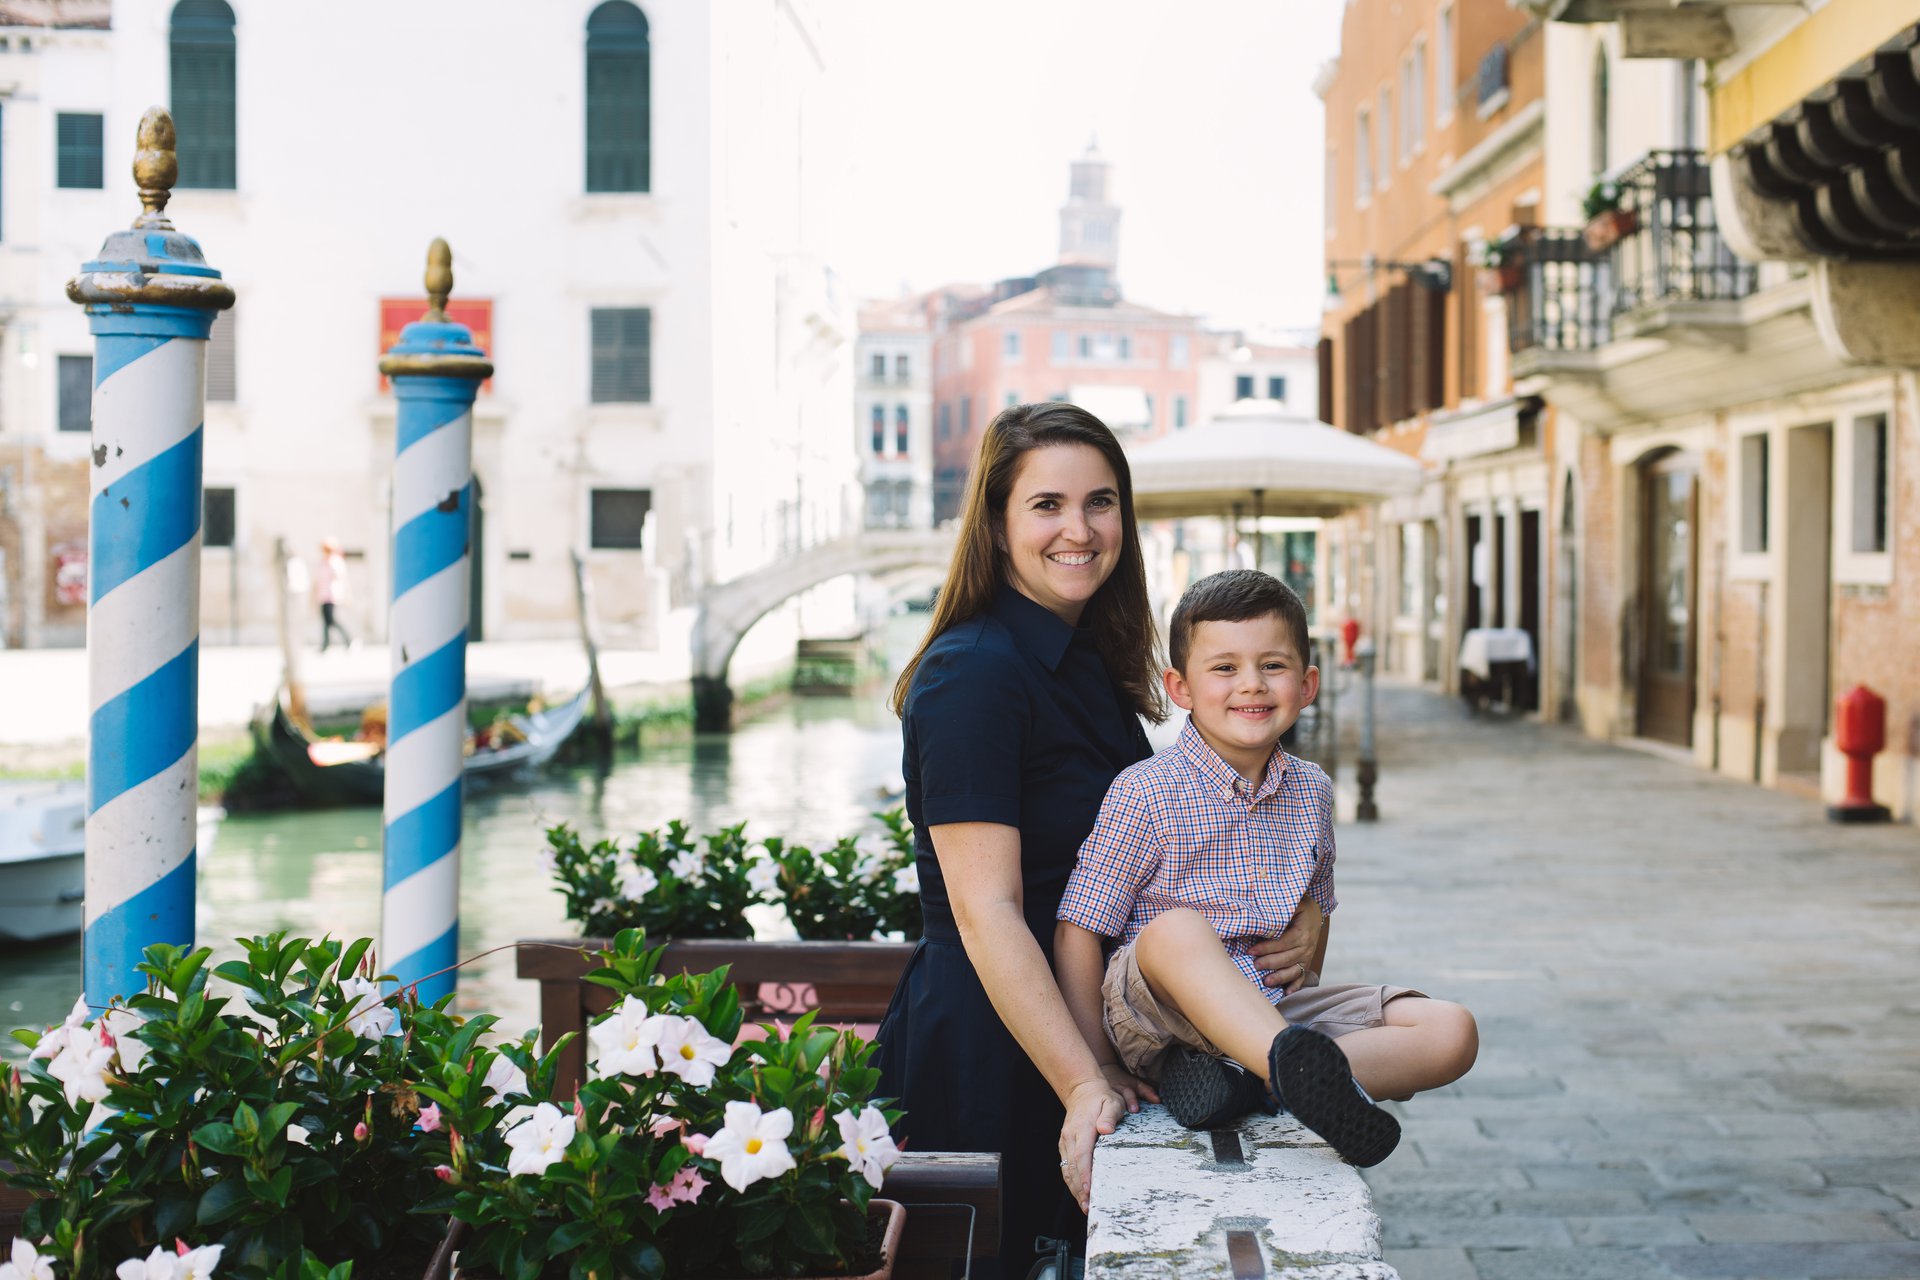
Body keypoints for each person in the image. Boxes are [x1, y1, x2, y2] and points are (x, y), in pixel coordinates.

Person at [873, 405, 1323, 1277]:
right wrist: (1079, 1078)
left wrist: (1304, 906)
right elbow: (988, 909)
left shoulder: (1083, 658)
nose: (1079, 530)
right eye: (1047, 505)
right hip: (999, 1046)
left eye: (1101, 501)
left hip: (1087, 1027)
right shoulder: (973, 672)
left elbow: (1179, 832)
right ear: (998, 528)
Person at [1055, 570, 1478, 1167]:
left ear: (1307, 685)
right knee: (1177, 930)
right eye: (1224, 668)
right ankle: (1285, 1070)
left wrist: (1306, 954)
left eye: (1273, 666)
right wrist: (1095, 1064)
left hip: (1267, 1011)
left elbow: (1315, 924)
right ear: (1180, 687)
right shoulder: (1145, 792)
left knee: (1451, 1029)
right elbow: (1078, 929)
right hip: (1157, 1016)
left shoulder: (1312, 791)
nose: (1250, 685)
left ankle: (1253, 1082)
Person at [316, 537, 353, 653]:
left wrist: (345, 595)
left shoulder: (335, 562)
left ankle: (349, 640)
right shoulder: (323, 562)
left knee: (331, 620)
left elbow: (341, 579)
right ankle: (326, 644)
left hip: (332, 595)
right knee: (326, 621)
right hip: (323, 595)